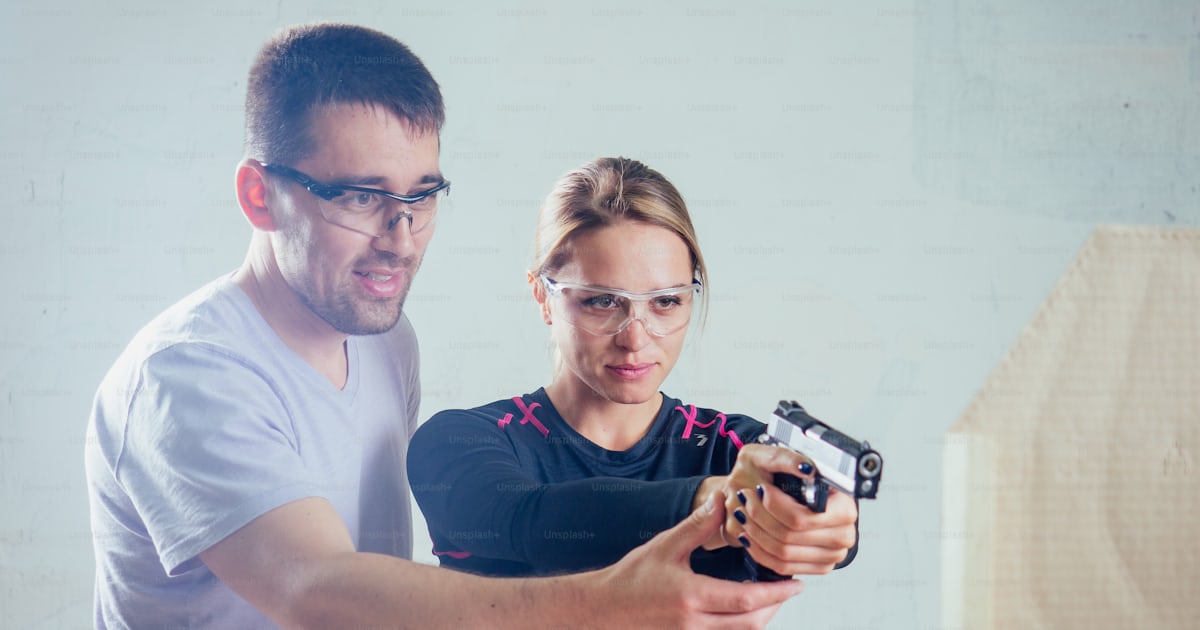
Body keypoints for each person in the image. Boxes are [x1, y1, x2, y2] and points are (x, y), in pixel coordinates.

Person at [83, 24, 804, 628]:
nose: (400, 237)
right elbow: (318, 592)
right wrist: (613, 601)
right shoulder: (189, 373)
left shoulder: (385, 340)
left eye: (422, 196)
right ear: (259, 195)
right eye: (363, 197)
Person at [408, 157, 860, 581]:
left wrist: (831, 522)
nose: (635, 337)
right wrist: (715, 504)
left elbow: (833, 519)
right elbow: (530, 519)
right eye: (603, 301)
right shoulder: (456, 445)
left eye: (666, 302)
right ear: (543, 296)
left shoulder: (732, 451)